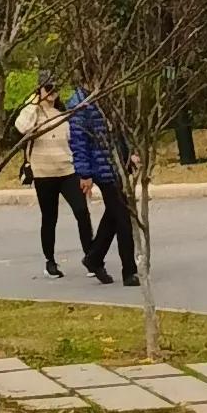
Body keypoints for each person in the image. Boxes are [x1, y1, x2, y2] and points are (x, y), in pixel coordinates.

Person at [13, 73, 93, 274]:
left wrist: (84, 172)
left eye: (54, 88)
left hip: (67, 171)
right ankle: (50, 260)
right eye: (47, 88)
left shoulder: (63, 114)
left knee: (82, 212)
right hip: (43, 173)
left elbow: (75, 142)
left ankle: (92, 256)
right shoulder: (33, 114)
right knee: (50, 217)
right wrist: (34, 102)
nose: (51, 92)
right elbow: (22, 127)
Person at [69, 83, 140, 285]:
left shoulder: (108, 98)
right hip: (99, 167)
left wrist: (129, 154)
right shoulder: (80, 104)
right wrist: (84, 173)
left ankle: (94, 257)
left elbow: (119, 131)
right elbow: (78, 142)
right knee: (123, 217)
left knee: (114, 214)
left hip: (116, 164)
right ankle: (129, 271)